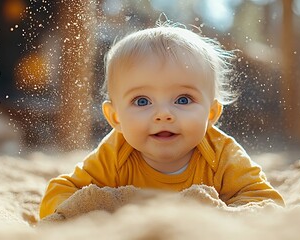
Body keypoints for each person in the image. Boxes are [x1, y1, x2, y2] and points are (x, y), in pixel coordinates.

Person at [39, 22, 284, 219]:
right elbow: (58, 196)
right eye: (142, 101)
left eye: (183, 99)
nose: (163, 114)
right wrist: (100, 214)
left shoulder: (222, 155)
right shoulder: (115, 154)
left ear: (211, 114)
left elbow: (265, 202)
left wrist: (222, 219)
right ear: (116, 118)